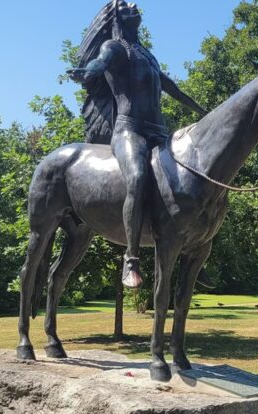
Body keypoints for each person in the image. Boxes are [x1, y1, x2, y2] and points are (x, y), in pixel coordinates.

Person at [69, 0, 206, 289]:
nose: (135, 5)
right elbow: (99, 64)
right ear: (118, 17)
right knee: (138, 176)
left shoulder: (147, 55)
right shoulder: (114, 49)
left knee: (189, 179)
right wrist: (86, 72)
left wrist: (205, 113)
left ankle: (192, 244)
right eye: (127, 5)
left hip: (159, 132)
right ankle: (131, 259)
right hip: (129, 131)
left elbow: (173, 88)